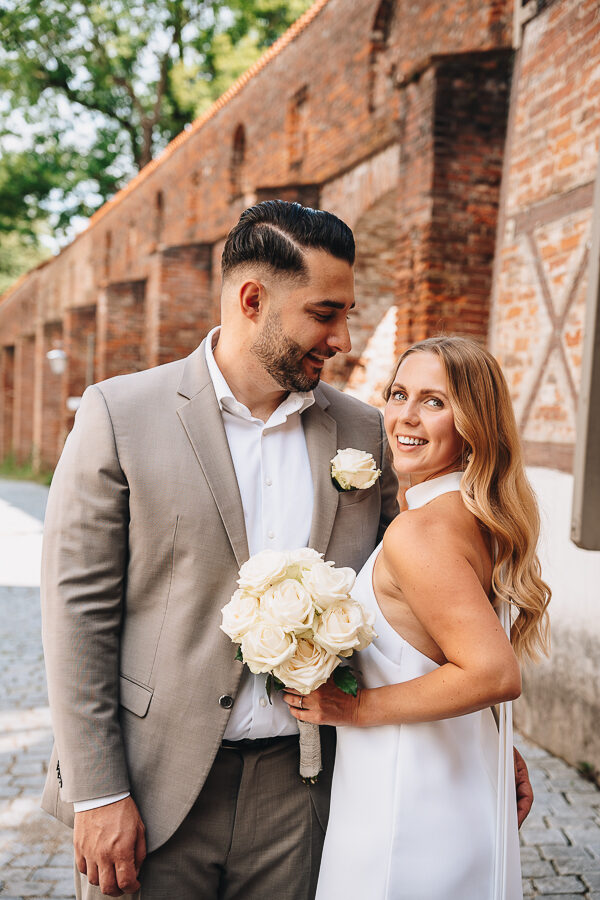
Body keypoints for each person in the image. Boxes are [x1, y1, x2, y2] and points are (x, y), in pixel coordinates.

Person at [41, 203, 532, 900]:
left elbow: (426, 610)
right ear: (253, 299)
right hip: (155, 788)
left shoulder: (367, 432)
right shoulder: (121, 415)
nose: (343, 338)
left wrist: (482, 737)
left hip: (309, 792)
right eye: (326, 313)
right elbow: (76, 616)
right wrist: (96, 794)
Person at [284, 336, 550, 900]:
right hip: (451, 787)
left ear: (473, 422)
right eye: (399, 393)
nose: (405, 415)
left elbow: (493, 673)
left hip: (404, 815)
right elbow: (439, 654)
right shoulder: (471, 517)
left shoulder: (421, 531)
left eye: (435, 401)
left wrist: (355, 707)